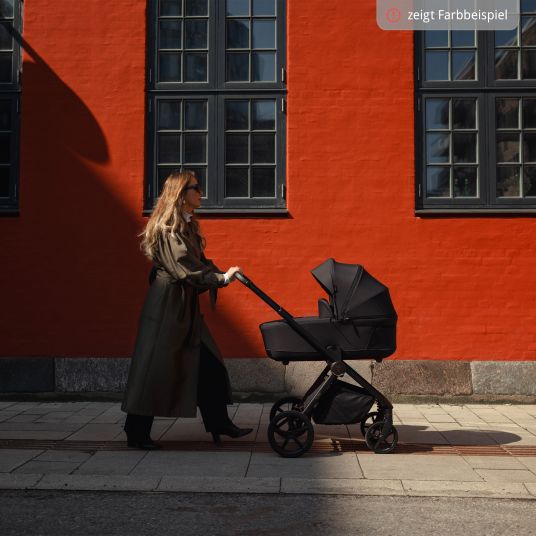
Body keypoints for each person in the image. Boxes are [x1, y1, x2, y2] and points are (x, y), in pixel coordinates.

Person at [121, 170, 252, 449]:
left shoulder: (186, 225)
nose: (201, 192)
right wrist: (221, 278)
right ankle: (136, 431)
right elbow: (185, 268)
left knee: (209, 362)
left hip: (182, 305)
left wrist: (219, 272)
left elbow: (199, 262)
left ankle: (219, 422)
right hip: (167, 307)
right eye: (196, 187)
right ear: (181, 194)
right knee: (155, 368)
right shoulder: (169, 230)